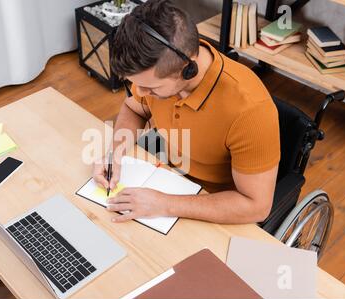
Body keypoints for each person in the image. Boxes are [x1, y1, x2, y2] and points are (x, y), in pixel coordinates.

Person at [93, 0, 280, 225]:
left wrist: (165, 204)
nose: (140, 92)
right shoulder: (157, 72)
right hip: (164, 177)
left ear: (188, 69)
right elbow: (134, 108)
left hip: (213, 205)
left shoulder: (250, 110)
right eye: (135, 84)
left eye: (151, 88)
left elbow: (256, 207)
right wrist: (115, 152)